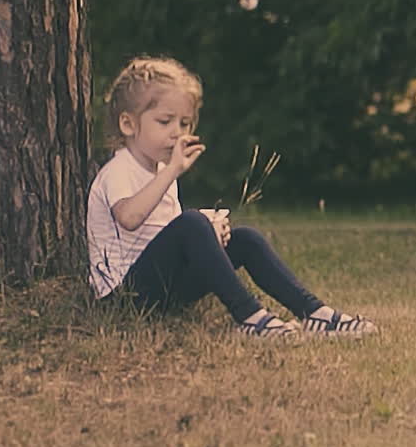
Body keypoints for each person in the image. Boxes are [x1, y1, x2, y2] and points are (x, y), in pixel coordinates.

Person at [87, 56, 377, 340]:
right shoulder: (119, 170)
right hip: (125, 296)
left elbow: (164, 232)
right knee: (191, 222)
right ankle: (250, 317)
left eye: (185, 124)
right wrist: (178, 183)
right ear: (128, 124)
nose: (177, 133)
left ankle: (314, 313)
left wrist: (207, 230)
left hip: (165, 289)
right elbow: (129, 218)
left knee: (245, 239)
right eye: (165, 122)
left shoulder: (161, 171)